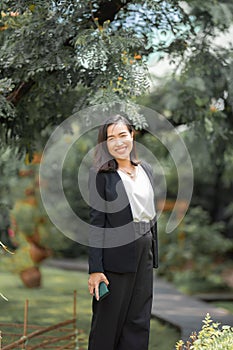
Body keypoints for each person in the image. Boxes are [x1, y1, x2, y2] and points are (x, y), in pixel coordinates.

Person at [87, 114, 158, 350]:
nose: (118, 142)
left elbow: (150, 214)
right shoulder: (101, 175)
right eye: (110, 138)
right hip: (115, 256)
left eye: (122, 135)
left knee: (138, 322)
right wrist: (96, 269)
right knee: (108, 324)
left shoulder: (146, 169)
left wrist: (152, 252)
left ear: (132, 135)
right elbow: (96, 224)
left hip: (144, 252)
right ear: (104, 144)